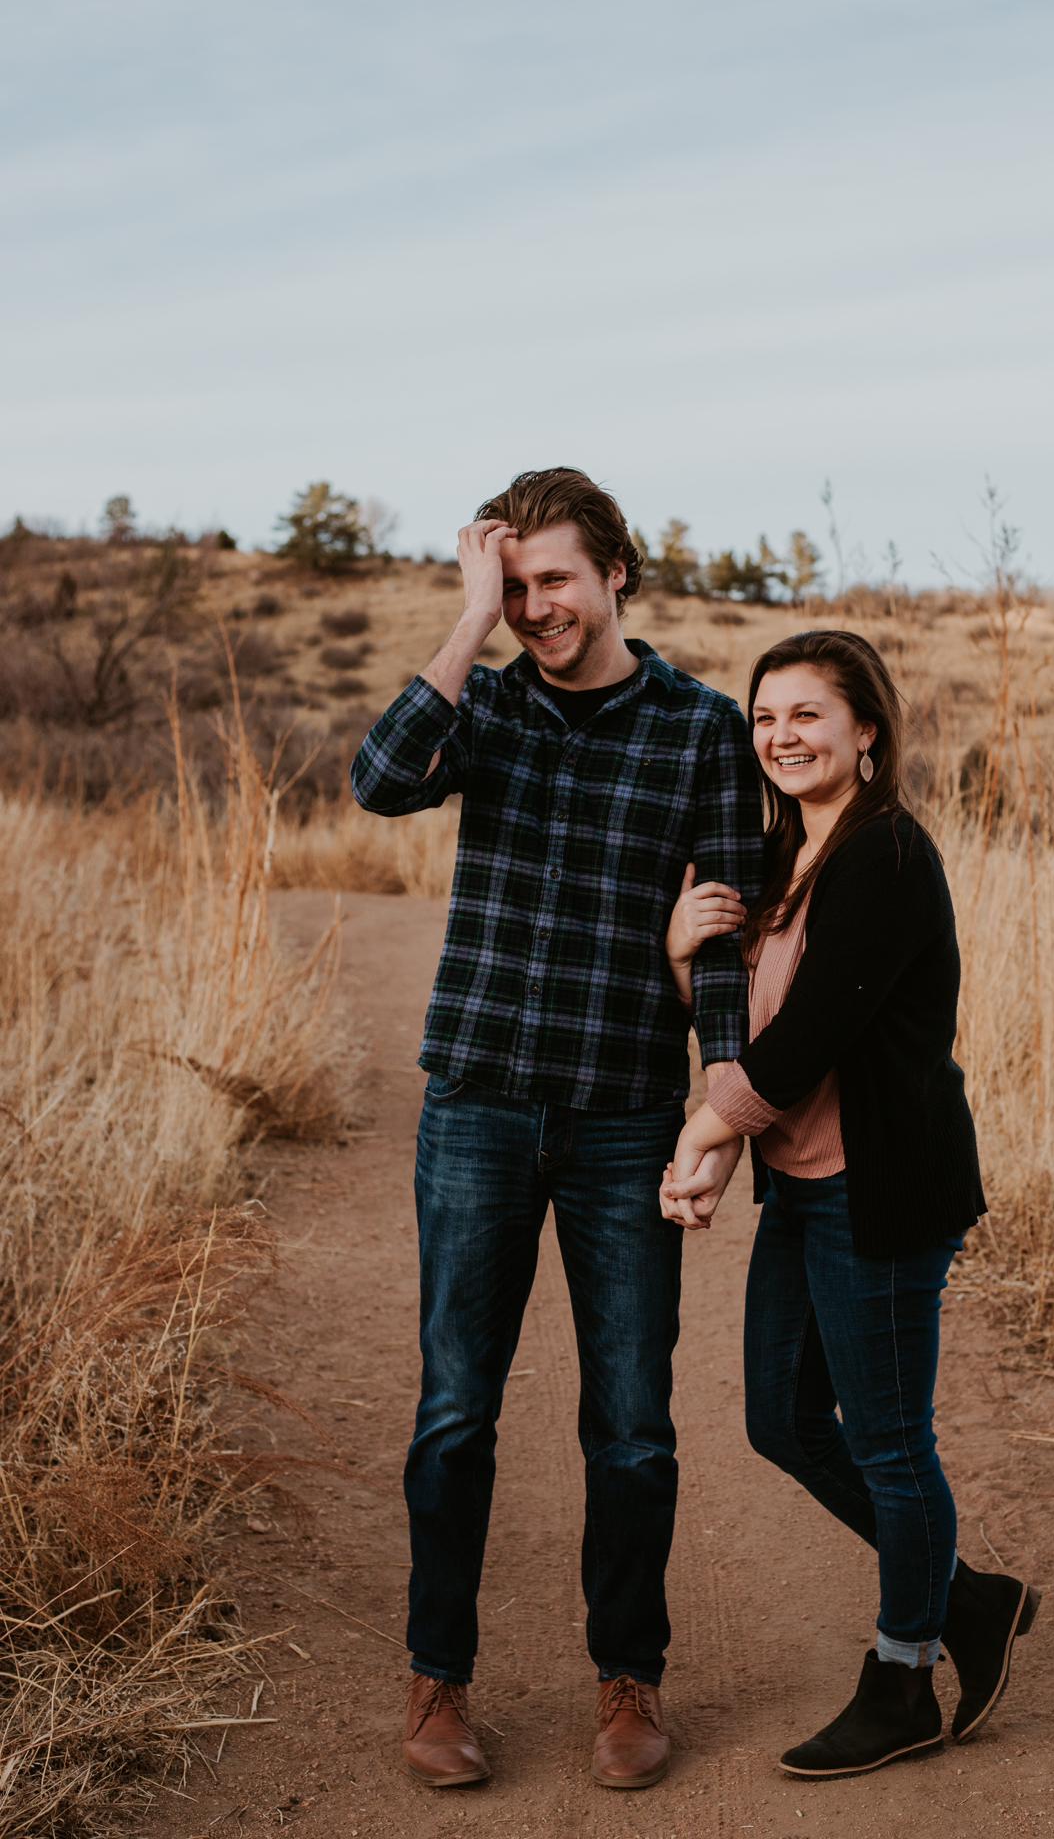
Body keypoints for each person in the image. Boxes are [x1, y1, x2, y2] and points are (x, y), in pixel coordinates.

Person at [350, 468, 763, 1791]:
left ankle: (628, 1681)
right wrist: (466, 623)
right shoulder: (491, 705)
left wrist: (716, 1105)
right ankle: (436, 1685)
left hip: (621, 1116)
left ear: (617, 574)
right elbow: (376, 779)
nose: (537, 609)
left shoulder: (698, 726)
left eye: (553, 583)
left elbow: (719, 937)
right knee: (454, 1410)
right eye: (514, 585)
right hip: (475, 1102)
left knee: (632, 1421)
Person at [661, 628, 1039, 1780]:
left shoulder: (882, 855)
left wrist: (702, 1131)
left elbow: (812, 1036)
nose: (779, 736)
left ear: (864, 728)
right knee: (779, 1417)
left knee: (885, 1439)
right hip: (809, 1188)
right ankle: (967, 1596)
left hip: (882, 1192)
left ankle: (901, 1677)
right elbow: (756, 1018)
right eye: (764, 717)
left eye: (806, 715)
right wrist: (684, 960)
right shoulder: (791, 856)